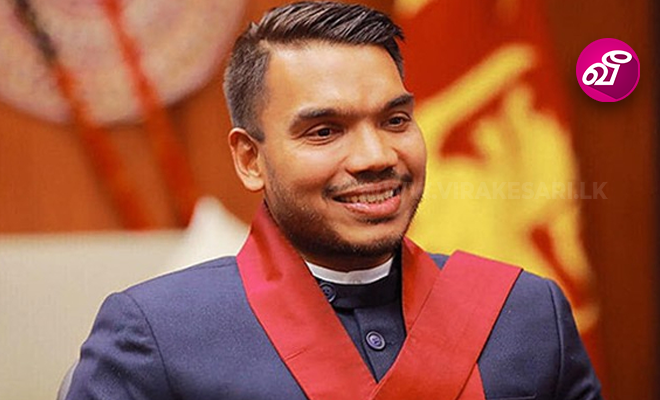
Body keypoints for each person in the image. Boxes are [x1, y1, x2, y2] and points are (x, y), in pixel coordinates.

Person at [65, 2, 603, 399]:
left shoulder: (526, 313)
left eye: (395, 120)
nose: (376, 156)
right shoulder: (158, 334)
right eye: (324, 131)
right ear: (250, 159)